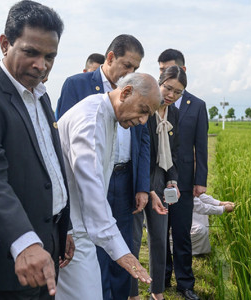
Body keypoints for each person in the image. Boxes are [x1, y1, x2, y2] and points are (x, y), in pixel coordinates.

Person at [0, 1, 73, 299]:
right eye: (31, 52)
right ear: (5, 44)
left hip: (47, 247)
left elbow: (49, 165)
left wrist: (63, 227)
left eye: (50, 56)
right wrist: (24, 241)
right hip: (10, 256)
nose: (41, 65)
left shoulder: (40, 95)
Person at [55, 34, 153, 300]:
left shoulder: (108, 113)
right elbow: (91, 188)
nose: (143, 121)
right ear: (127, 92)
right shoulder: (91, 119)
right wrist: (122, 252)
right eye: (143, 110)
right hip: (73, 223)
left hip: (83, 221)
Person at [130, 65, 186, 300]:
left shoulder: (173, 114)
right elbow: (140, 151)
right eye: (168, 88)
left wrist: (173, 180)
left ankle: (157, 292)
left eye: (178, 92)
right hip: (138, 178)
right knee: (133, 238)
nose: (171, 95)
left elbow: (173, 152)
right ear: (160, 82)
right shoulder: (146, 107)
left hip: (162, 178)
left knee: (160, 239)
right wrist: (146, 187)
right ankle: (131, 293)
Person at [158, 49, 208, 300]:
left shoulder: (197, 105)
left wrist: (201, 180)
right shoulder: (152, 104)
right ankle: (162, 278)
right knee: (159, 230)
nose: (171, 93)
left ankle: (185, 283)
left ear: (182, 71)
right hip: (159, 179)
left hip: (185, 180)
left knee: (181, 232)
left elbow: (202, 145)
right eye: (161, 71)